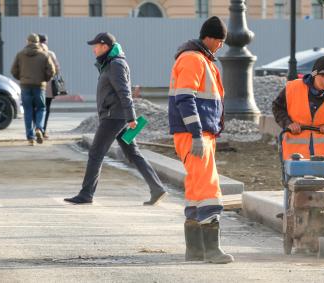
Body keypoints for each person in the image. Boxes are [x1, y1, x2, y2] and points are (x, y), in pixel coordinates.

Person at [64, 32, 167, 206]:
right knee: (132, 153)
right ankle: (157, 188)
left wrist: (131, 117)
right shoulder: (110, 63)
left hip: (114, 117)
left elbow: (124, 92)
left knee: (96, 153)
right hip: (117, 116)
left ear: (105, 46)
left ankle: (86, 194)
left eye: (95, 46)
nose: (93, 49)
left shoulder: (115, 64)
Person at [168, 16, 233, 264]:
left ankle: (195, 250)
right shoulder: (194, 60)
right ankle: (211, 250)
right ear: (212, 38)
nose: (221, 46)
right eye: (221, 41)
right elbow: (185, 98)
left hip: (199, 134)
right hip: (196, 135)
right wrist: (196, 133)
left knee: (196, 190)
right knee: (208, 188)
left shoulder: (197, 59)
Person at [272, 55, 324, 209]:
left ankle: (323, 213)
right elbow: (277, 107)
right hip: (295, 153)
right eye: (322, 76)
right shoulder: (293, 88)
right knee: (292, 184)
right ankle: (290, 212)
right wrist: (288, 124)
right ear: (314, 74)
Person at [11, 33, 55, 146]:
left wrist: (21, 78)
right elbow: (52, 71)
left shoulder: (20, 54)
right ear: (38, 42)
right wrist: (44, 78)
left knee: (28, 111)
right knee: (41, 108)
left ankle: (30, 138)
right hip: (39, 87)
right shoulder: (44, 55)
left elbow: (13, 70)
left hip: (25, 86)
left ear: (27, 42)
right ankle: (39, 129)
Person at [39, 34, 60, 139]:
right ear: (45, 42)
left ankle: (36, 129)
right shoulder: (50, 54)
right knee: (46, 109)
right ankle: (42, 131)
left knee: (36, 108)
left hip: (35, 86)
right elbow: (57, 69)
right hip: (48, 87)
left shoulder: (34, 53)